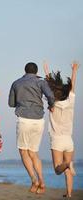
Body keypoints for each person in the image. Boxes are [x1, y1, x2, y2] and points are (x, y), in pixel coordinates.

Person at [8, 62, 55, 194]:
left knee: (23, 151)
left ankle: (34, 179)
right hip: (39, 120)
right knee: (33, 152)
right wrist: (51, 106)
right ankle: (42, 181)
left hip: (24, 119)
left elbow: (11, 104)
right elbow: (51, 96)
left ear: (25, 70)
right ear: (36, 71)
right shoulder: (41, 82)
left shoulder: (16, 83)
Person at [43, 61, 79, 198]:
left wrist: (46, 73)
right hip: (69, 141)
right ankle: (69, 193)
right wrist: (74, 71)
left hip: (57, 141)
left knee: (59, 169)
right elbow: (72, 88)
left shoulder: (53, 103)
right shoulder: (71, 102)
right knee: (67, 170)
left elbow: (50, 89)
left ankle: (68, 163)